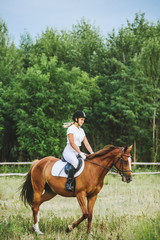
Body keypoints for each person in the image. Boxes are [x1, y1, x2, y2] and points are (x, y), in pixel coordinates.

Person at [63, 110, 94, 192]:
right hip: (69, 152)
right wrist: (80, 153)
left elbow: (86, 143)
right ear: (76, 119)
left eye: (83, 120)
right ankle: (68, 183)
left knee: (87, 161)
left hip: (77, 152)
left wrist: (92, 153)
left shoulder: (81, 130)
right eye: (81, 119)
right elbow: (72, 143)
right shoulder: (71, 129)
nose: (83, 121)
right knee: (75, 162)